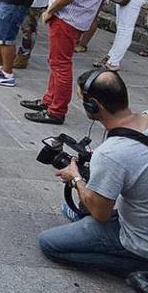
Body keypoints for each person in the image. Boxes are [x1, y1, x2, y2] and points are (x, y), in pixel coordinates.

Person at [37, 70, 148, 278]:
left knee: (50, 243)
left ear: (94, 105)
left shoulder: (112, 154)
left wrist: (76, 177)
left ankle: (136, 265)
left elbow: (101, 213)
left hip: (140, 238)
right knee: (76, 212)